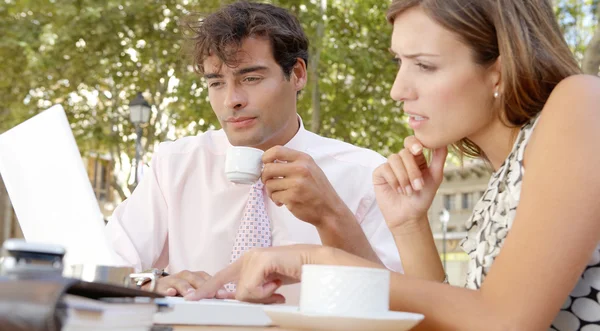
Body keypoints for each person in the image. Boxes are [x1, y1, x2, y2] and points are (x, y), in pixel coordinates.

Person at [187, 0, 600, 329]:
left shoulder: (580, 101)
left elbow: (505, 321)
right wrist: (409, 224)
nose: (397, 90)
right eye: (398, 62)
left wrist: (317, 259)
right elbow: (446, 322)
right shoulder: (508, 172)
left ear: (500, 69)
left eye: (424, 65)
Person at [104, 1, 402, 298]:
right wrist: (148, 284)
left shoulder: (366, 175)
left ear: (297, 74)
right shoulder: (175, 165)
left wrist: (331, 214)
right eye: (217, 82)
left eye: (250, 78)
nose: (231, 100)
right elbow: (104, 264)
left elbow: (402, 300)